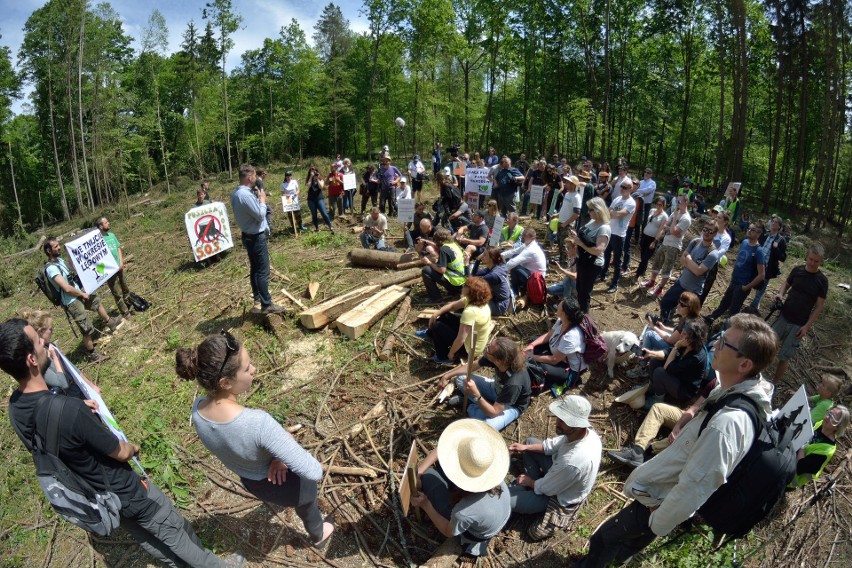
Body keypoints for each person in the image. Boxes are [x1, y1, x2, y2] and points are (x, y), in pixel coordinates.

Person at [0, 319, 243, 568]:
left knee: (151, 541)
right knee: (175, 531)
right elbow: (122, 452)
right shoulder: (69, 411)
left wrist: (74, 414)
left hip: (100, 498)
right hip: (126, 490)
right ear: (32, 360)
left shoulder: (16, 408)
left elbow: (48, 432)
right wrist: (133, 447)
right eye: (38, 342)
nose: (44, 343)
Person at [576, 314, 779, 568]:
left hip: (660, 500)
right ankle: (618, 558)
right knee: (628, 541)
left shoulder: (729, 424)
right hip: (663, 495)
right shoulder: (732, 390)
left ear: (744, 364)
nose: (715, 344)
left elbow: (697, 485)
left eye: (724, 343)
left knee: (605, 538)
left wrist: (658, 520)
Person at [176, 332, 334, 548]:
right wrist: (283, 445)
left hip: (251, 481)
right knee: (307, 505)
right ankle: (318, 534)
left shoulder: (198, 411)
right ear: (225, 382)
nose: (254, 369)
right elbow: (313, 471)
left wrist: (277, 456)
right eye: (247, 368)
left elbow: (236, 444)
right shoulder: (258, 424)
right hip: (288, 485)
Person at [411, 419, 511, 559]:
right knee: (435, 468)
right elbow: (443, 448)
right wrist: (419, 472)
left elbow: (447, 531)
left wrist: (426, 504)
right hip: (496, 516)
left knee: (429, 477)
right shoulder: (491, 473)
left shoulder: (463, 511)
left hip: (476, 533)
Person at [508, 396, 601, 541]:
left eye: (563, 421)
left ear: (577, 425)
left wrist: (530, 482)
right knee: (530, 443)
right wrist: (525, 447)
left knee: (507, 500)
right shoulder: (580, 434)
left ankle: (527, 494)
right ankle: (527, 490)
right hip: (557, 477)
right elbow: (550, 446)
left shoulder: (573, 461)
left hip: (558, 496)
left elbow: (547, 489)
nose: (557, 423)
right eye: (559, 417)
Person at [608, 376, 720, 468]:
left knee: (685, 435)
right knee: (659, 409)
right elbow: (694, 408)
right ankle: (638, 451)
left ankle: (651, 452)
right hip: (697, 417)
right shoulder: (716, 382)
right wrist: (678, 426)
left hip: (705, 431)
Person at [42, 237, 121, 363]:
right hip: (71, 301)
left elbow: (73, 268)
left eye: (58, 245)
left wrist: (70, 254)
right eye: (55, 246)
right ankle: (92, 354)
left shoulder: (60, 260)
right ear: (48, 250)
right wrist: (82, 294)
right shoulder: (51, 269)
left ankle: (110, 322)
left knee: (96, 301)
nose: (58, 247)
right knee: (85, 327)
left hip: (78, 292)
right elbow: (66, 288)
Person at [437, 337, 531, 431]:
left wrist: (476, 394)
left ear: (498, 360)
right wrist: (447, 375)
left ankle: (470, 405)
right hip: (496, 388)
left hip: (511, 405)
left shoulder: (514, 383)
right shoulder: (497, 359)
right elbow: (472, 366)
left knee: (488, 427)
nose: (486, 349)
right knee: (461, 378)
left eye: (488, 349)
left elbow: (494, 412)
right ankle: (483, 405)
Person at [231, 164, 285, 315]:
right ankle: (267, 304)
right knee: (263, 270)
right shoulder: (245, 195)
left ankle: (257, 299)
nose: (256, 178)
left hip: (247, 235)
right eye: (254, 176)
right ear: (249, 177)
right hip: (255, 237)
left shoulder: (236, 193)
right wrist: (261, 200)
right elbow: (260, 215)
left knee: (255, 268)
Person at [772, 242, 829, 381]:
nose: (812, 263)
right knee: (768, 346)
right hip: (783, 316)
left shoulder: (822, 281)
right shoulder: (797, 270)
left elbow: (819, 306)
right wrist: (780, 294)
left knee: (784, 357)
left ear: (821, 261)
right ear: (807, 256)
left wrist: (806, 327)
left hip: (798, 325)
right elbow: (786, 284)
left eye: (816, 261)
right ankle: (755, 374)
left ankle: (774, 384)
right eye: (810, 259)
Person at [19, 308, 101, 397]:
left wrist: (90, 385)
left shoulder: (50, 346)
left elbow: (71, 367)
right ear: (41, 331)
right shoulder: (39, 358)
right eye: (50, 329)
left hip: (76, 387)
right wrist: (55, 358)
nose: (53, 331)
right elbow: (62, 384)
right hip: (67, 398)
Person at [416, 277, 494, 365]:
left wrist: (451, 353)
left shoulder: (471, 312)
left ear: (471, 291)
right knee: (444, 315)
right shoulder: (475, 300)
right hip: (470, 336)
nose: (463, 286)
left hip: (469, 349)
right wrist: (436, 314)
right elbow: (452, 306)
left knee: (437, 326)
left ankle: (443, 357)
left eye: (466, 286)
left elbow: (461, 339)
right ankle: (430, 334)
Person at [627, 291, 702, 380]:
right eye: (679, 302)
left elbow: (670, 340)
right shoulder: (689, 317)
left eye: (682, 305)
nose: (678, 305)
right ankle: (646, 354)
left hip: (679, 352)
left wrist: (654, 327)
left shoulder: (687, 322)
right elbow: (676, 332)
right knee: (652, 330)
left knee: (650, 333)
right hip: (680, 346)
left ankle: (642, 367)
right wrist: (663, 328)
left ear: (690, 308)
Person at [657, 220, 722, 322]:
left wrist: (689, 259)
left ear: (715, 234)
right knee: (665, 303)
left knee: (686, 318)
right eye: (705, 229)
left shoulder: (713, 253)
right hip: (681, 283)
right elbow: (682, 259)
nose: (706, 232)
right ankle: (664, 322)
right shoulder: (695, 242)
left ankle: (675, 332)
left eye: (710, 231)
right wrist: (693, 265)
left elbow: (698, 272)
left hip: (693, 291)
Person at [704, 223, 766, 325]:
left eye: (753, 230)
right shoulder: (745, 242)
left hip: (743, 285)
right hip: (734, 280)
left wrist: (746, 287)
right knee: (725, 302)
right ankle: (711, 318)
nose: (749, 231)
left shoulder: (759, 251)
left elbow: (761, 275)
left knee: (733, 310)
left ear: (758, 234)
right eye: (749, 228)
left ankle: (727, 329)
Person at [639, 319, 709, 408]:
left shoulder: (696, 357)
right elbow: (667, 352)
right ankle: (653, 387)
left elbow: (667, 367)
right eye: (682, 332)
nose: (681, 335)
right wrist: (650, 353)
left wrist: (676, 346)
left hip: (684, 390)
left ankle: (658, 399)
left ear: (692, 339)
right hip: (678, 375)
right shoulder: (685, 344)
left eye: (684, 334)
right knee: (654, 361)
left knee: (660, 372)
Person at [524, 299, 587, 394]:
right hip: (555, 351)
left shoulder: (571, 336)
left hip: (567, 367)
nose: (556, 307)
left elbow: (554, 360)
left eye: (559, 307)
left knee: (540, 366)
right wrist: (532, 345)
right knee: (533, 340)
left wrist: (532, 357)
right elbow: (549, 335)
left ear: (564, 314)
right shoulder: (561, 321)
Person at [644, 193, 693, 297]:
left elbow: (674, 231)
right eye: (677, 201)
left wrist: (674, 220)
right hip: (665, 241)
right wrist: (671, 227)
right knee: (657, 262)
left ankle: (660, 288)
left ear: (686, 202)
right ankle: (652, 281)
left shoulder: (686, 218)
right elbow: (666, 226)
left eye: (680, 201)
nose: (677, 204)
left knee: (667, 268)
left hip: (674, 246)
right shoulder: (675, 213)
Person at [789, 405, 849, 488]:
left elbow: (800, 468)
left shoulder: (827, 450)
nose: (827, 417)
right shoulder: (822, 424)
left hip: (791, 479)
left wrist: (802, 446)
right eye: (829, 413)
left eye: (833, 418)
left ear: (838, 427)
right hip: (791, 457)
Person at [569, 197, 611, 312]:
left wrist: (580, 243)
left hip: (593, 264)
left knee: (584, 293)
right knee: (579, 288)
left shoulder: (604, 228)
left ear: (598, 210)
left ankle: (584, 320)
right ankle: (578, 313)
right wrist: (576, 236)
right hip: (583, 260)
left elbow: (598, 250)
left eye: (591, 210)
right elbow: (585, 237)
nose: (588, 212)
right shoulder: (592, 221)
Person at [601, 178, 636, 293]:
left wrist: (612, 213)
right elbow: (609, 212)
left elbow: (619, 215)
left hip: (619, 235)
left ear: (630, 189)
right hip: (610, 231)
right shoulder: (617, 198)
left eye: (625, 187)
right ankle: (603, 274)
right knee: (606, 255)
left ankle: (614, 283)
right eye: (621, 186)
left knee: (617, 261)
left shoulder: (631, 202)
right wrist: (612, 213)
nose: (622, 189)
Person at [96, 217, 133, 318]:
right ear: (100, 226)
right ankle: (125, 313)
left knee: (125, 288)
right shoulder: (97, 241)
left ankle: (131, 307)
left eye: (108, 221)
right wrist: (103, 272)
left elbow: (118, 248)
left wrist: (121, 262)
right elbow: (97, 259)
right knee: (117, 293)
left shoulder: (112, 235)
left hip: (119, 266)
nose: (108, 223)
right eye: (106, 222)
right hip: (109, 271)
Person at [420, 227, 467, 302]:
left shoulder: (444, 249)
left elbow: (442, 270)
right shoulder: (454, 245)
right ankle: (453, 292)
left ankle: (436, 298)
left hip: (455, 283)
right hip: (463, 280)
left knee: (426, 270)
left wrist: (428, 263)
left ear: (438, 240)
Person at [750, 215, 787, 309]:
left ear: (779, 226)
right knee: (749, 282)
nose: (773, 223)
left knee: (761, 289)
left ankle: (753, 308)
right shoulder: (765, 234)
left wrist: (776, 248)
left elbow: (783, 258)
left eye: (775, 222)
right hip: (757, 264)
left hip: (767, 268)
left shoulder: (781, 240)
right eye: (772, 221)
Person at [501, 227, 547, 300]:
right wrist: (501, 255)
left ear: (532, 238)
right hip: (531, 273)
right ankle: (517, 288)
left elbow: (512, 263)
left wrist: (500, 271)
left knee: (515, 267)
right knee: (515, 258)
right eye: (523, 236)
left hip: (536, 280)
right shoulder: (527, 244)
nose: (523, 238)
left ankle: (515, 291)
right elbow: (514, 251)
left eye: (525, 237)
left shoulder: (531, 249)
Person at [699, 209, 732, 305]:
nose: (716, 218)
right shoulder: (710, 229)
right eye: (716, 216)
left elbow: (721, 252)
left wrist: (708, 254)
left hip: (710, 265)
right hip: (698, 257)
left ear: (725, 222)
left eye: (719, 217)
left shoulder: (726, 238)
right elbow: (700, 240)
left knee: (703, 290)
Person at [634, 197, 668, 280]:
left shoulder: (664, 216)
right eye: (657, 204)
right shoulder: (652, 211)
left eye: (660, 205)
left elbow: (661, 230)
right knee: (642, 256)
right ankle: (643, 270)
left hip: (652, 239)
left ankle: (637, 274)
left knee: (646, 257)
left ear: (664, 205)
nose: (658, 206)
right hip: (645, 236)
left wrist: (655, 241)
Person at [473, 248, 511, 316]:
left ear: (491, 258)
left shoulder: (494, 275)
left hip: (499, 306)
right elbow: (475, 274)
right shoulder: (496, 266)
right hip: (498, 299)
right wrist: (478, 259)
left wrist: (466, 265)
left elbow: (471, 281)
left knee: (472, 298)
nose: (482, 256)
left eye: (484, 255)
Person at [557, 175, 582, 264]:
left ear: (573, 184)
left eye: (567, 182)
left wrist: (566, 223)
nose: (565, 184)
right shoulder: (567, 194)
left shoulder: (576, 197)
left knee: (565, 245)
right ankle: (561, 261)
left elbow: (576, 214)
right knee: (560, 243)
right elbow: (564, 208)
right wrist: (557, 215)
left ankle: (566, 264)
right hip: (560, 222)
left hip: (567, 225)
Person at [305, 166, 334, 233]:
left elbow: (321, 187)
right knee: (314, 214)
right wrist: (311, 177)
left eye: (315, 171)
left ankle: (330, 226)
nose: (314, 173)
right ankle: (316, 227)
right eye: (312, 171)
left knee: (324, 213)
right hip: (311, 199)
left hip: (319, 198)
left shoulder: (320, 179)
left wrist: (317, 178)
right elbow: (308, 186)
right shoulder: (309, 179)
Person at [635, 168, 657, 244]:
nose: (646, 174)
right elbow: (642, 191)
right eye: (645, 172)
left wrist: (638, 191)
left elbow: (647, 191)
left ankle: (642, 240)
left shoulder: (653, 183)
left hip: (647, 205)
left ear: (651, 175)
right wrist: (642, 191)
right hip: (639, 203)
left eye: (648, 173)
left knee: (645, 222)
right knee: (636, 220)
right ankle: (636, 239)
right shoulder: (640, 182)